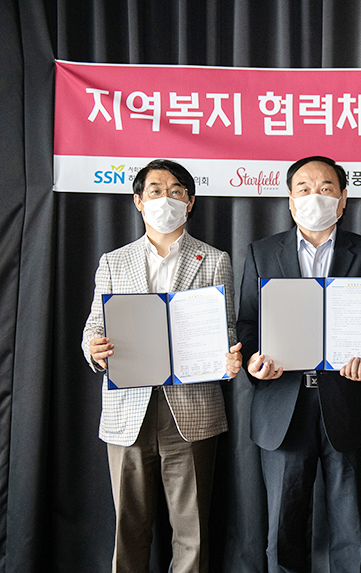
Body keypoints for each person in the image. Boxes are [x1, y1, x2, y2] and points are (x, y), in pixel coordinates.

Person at [82, 159, 243, 573]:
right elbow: (94, 327)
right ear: (138, 201)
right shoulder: (114, 261)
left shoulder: (214, 259)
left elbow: (225, 327)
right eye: (155, 190)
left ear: (190, 201)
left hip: (191, 409)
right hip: (128, 408)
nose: (165, 199)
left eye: (175, 191)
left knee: (193, 530)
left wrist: (229, 357)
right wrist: (93, 349)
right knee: (129, 526)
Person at [237, 156, 361, 573]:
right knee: (283, 527)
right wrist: (253, 361)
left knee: (350, 527)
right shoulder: (262, 252)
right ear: (290, 200)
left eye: (325, 188)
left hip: (347, 401)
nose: (314, 196)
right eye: (303, 188)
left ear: (343, 199)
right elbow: (247, 322)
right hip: (283, 404)